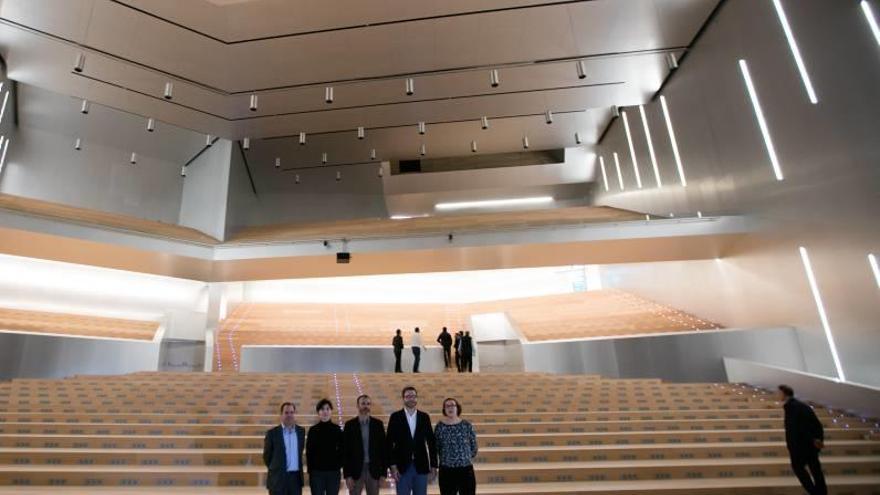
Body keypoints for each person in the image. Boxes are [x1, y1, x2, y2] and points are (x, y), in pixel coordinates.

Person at [386, 386, 438, 495]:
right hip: (401, 467)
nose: (411, 399)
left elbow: (431, 443)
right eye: (408, 396)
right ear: (403, 398)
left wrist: (434, 466)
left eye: (413, 396)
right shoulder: (395, 417)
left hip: (421, 466)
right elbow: (389, 443)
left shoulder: (424, 417)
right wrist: (393, 466)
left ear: (417, 398)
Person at [778, 385, 827, 495]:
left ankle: (814, 492)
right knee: (816, 470)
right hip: (810, 444)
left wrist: (793, 446)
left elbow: (796, 428)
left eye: (779, 393)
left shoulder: (792, 407)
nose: (778, 395)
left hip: (801, 445)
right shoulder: (801, 406)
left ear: (784, 393)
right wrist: (818, 439)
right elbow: (816, 424)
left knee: (798, 467)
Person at [343, 394, 387, 495]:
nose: (366, 406)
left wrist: (383, 474)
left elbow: (383, 450)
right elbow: (345, 452)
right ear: (357, 406)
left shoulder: (378, 425)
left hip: (374, 470)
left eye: (368, 404)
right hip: (355, 471)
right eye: (363, 403)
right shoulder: (349, 425)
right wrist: (347, 475)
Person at [434, 398, 478, 495]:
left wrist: (464, 458)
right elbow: (436, 447)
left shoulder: (466, 425)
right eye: (447, 406)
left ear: (457, 408)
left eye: (452, 405)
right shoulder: (440, 427)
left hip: (465, 470)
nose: (450, 408)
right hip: (446, 470)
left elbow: (473, 446)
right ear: (444, 410)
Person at [263, 402, 306, 495]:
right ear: (281, 415)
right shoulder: (272, 433)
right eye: (286, 412)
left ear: (295, 414)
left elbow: (300, 451)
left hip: (295, 479)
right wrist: (277, 469)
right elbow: (267, 457)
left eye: (291, 412)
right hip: (277, 479)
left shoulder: (301, 432)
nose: (289, 415)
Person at [306, 398, 342, 495]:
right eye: (322, 409)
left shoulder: (337, 429)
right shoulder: (313, 430)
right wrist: (311, 471)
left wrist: (338, 465)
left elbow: (342, 450)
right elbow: (309, 452)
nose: (325, 411)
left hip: (333, 472)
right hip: (317, 473)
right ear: (318, 412)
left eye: (327, 409)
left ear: (331, 411)